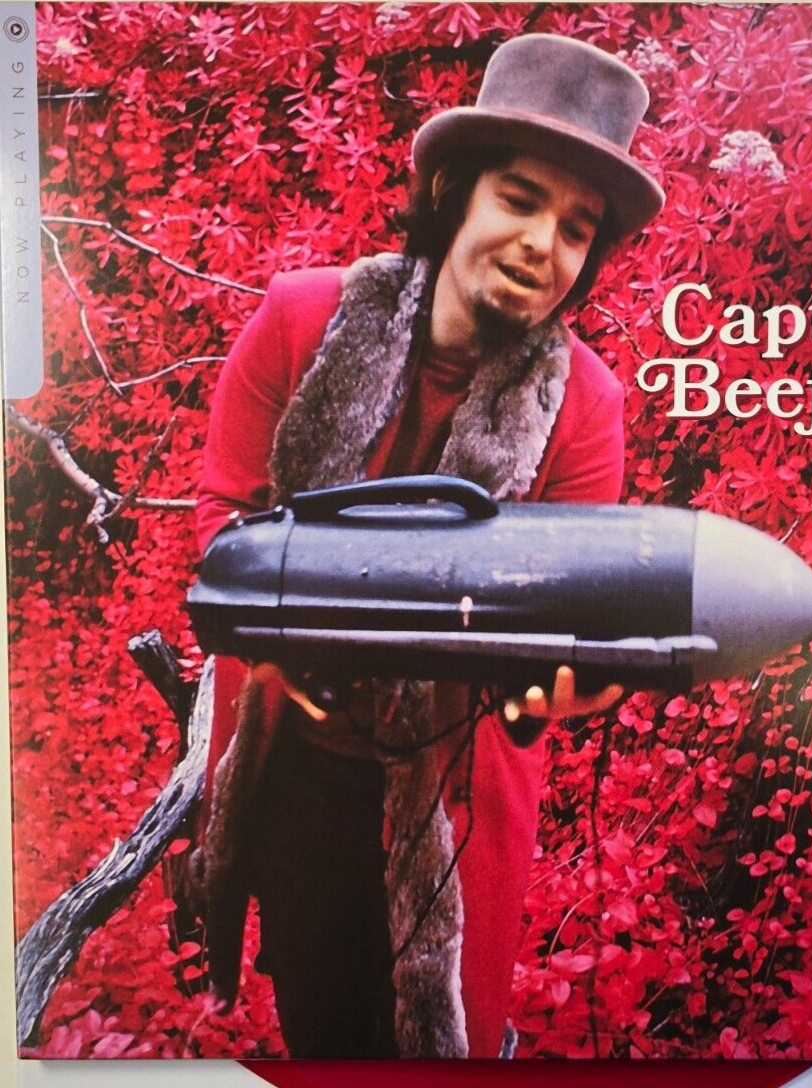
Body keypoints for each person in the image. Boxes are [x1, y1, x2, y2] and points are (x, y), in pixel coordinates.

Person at [188, 33, 665, 1059]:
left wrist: (565, 688)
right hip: (297, 774)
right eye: (519, 199)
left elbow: (571, 617)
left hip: (454, 806)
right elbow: (222, 517)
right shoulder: (301, 319)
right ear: (452, 190)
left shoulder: (585, 407)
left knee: (442, 1041)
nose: (541, 243)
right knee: (320, 1025)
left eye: (575, 228)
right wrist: (274, 641)